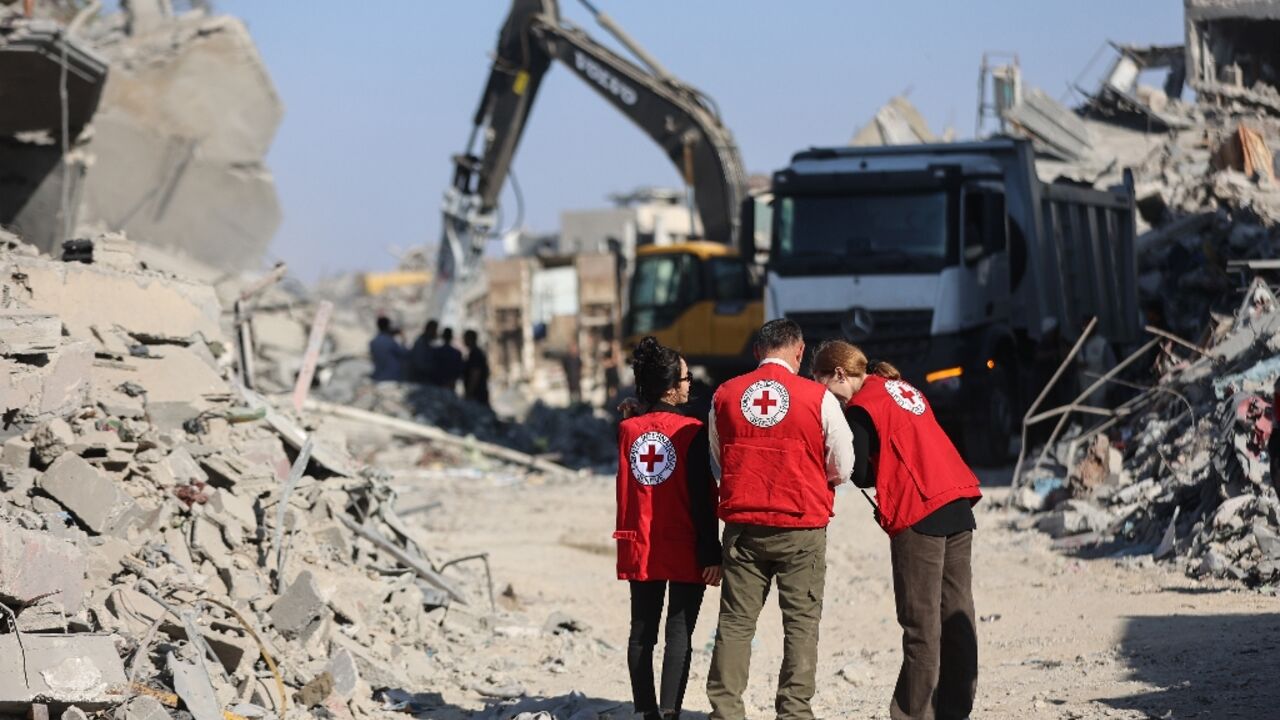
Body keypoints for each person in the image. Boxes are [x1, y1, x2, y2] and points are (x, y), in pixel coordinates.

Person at [811, 340, 982, 720]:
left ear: (838, 374)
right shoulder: (899, 387)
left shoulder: (861, 407)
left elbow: (858, 472)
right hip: (956, 500)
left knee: (921, 623)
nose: (825, 397)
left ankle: (911, 714)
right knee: (957, 614)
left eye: (822, 384)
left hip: (920, 508)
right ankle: (954, 710)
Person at [706, 319, 854, 720]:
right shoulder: (818, 397)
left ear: (757, 352)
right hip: (801, 525)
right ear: (800, 351)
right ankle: (794, 712)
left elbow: (719, 458)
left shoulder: (724, 394)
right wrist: (821, 479)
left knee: (736, 623)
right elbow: (843, 463)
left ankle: (726, 712)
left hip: (744, 527)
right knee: (801, 623)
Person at [615, 336, 722, 720]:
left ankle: (645, 712)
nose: (691, 384)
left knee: (641, 634)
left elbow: (647, 430)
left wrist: (639, 412)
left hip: (641, 543)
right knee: (679, 636)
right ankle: (670, 712)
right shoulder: (692, 431)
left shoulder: (627, 430)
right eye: (686, 377)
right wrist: (712, 553)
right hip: (684, 544)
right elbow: (702, 497)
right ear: (671, 387)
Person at [369, 316, 408, 382]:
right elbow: (404, 354)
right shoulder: (390, 341)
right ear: (388, 326)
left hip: (379, 376)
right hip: (392, 377)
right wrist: (403, 340)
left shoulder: (373, 342)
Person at [429, 328, 466, 392]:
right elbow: (459, 371)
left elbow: (432, 368)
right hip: (449, 384)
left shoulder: (436, 352)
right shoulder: (456, 353)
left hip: (439, 383)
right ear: (451, 337)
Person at [463, 329, 491, 408]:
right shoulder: (475, 353)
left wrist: (469, 392)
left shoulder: (475, 354)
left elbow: (475, 374)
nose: (464, 341)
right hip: (479, 392)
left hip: (477, 394)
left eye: (465, 338)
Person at [409, 319, 439, 384]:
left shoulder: (427, 342)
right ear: (430, 329)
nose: (435, 332)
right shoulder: (421, 343)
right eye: (434, 330)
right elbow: (420, 365)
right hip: (420, 380)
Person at [563, 339, 583, 405]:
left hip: (577, 378)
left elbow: (580, 366)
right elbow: (565, 367)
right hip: (570, 378)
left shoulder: (577, 358)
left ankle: (580, 404)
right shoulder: (567, 358)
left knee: (578, 393)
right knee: (572, 393)